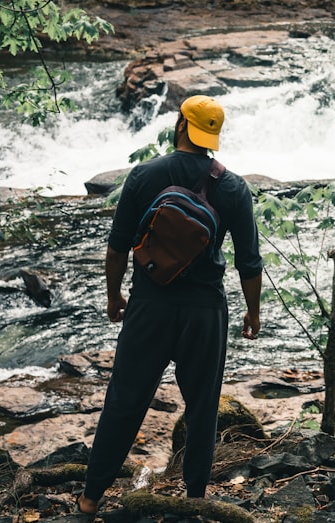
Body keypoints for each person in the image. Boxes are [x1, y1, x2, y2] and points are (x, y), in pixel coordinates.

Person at [78, 95, 263, 515]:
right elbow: (248, 263)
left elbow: (117, 247)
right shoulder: (233, 187)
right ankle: (196, 501)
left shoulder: (144, 176)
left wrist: (114, 296)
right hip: (206, 313)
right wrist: (253, 312)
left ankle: (90, 500)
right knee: (202, 409)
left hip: (150, 306)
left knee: (125, 400)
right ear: (212, 135)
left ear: (181, 125)